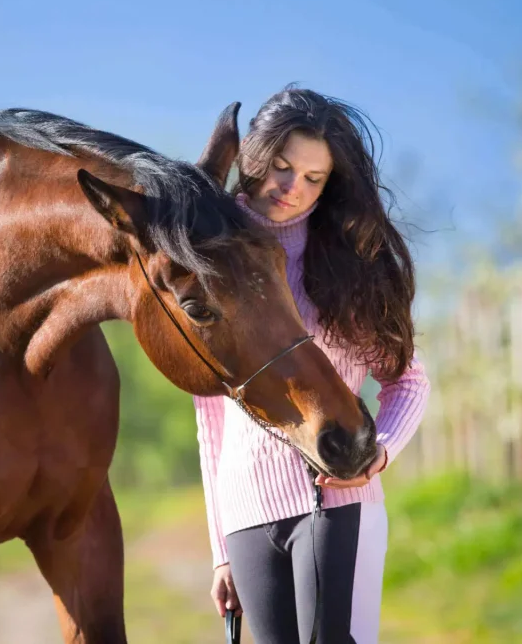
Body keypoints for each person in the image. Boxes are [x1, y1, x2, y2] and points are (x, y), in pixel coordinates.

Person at [194, 86, 431, 644]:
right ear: (254, 157)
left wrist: (381, 451)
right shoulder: (215, 260)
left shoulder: (345, 266)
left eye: (312, 178)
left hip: (339, 501)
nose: (291, 187)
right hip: (247, 514)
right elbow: (211, 421)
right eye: (280, 167)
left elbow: (408, 378)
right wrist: (219, 551)